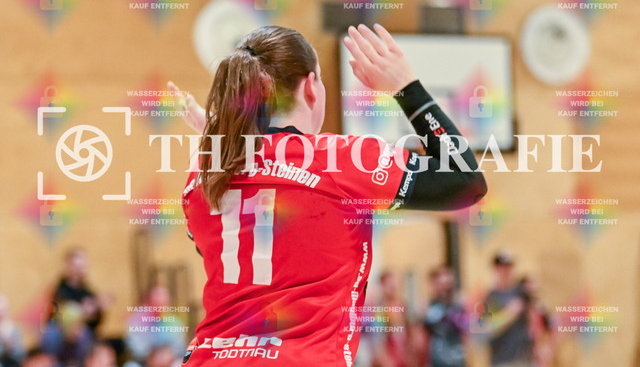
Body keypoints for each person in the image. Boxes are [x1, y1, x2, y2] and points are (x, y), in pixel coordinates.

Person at [170, 24, 487, 365]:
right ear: (311, 87)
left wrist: (217, 140)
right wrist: (406, 88)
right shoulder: (340, 159)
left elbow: (226, 242)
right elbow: (466, 180)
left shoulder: (204, 171)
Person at [483, 251, 533, 367]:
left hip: (524, 359)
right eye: (502, 267)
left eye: (509, 267)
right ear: (496, 269)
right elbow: (483, 329)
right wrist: (508, 314)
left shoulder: (521, 293)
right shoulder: (490, 297)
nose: (506, 271)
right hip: (502, 359)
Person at [423, 266, 466, 367]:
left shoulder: (459, 306)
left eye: (449, 285)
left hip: (457, 361)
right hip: (437, 361)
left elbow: (468, 334)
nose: (446, 289)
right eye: (442, 285)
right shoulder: (428, 307)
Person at [0, 294, 25, 367]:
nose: (1, 314)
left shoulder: (14, 329)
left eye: (3, 311)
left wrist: (12, 346)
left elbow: (21, 353)